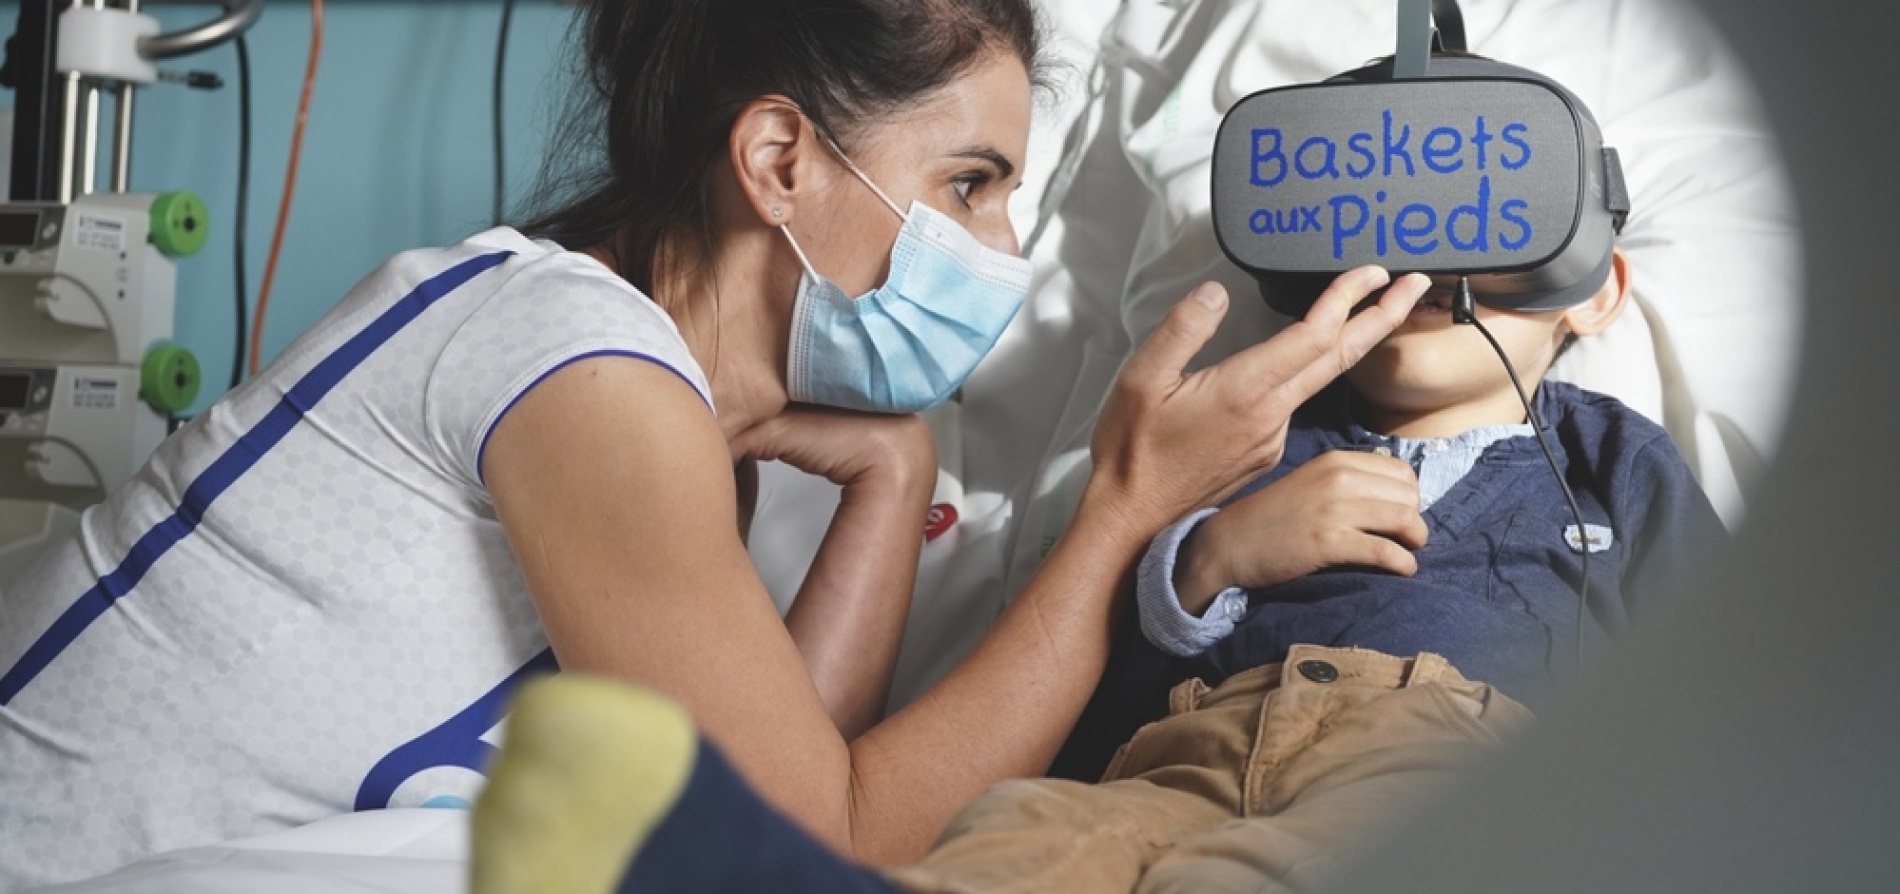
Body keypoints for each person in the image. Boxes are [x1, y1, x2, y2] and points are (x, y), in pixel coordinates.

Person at [0, 1, 1426, 889]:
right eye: (970, 184)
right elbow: (814, 840)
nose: (1000, 248)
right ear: (780, 159)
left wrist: (897, 468)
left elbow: (781, 771)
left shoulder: (665, 406)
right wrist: (1123, 509)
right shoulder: (576, 367)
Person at [466, 55, 1730, 894]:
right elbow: (1101, 684)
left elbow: (1722, 677)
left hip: (1429, 749)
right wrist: (1213, 559)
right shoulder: (1246, 434)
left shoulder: (1605, 465)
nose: (1423, 286)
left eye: (1488, 252)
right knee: (1015, 848)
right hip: (1171, 755)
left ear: (1597, 293)